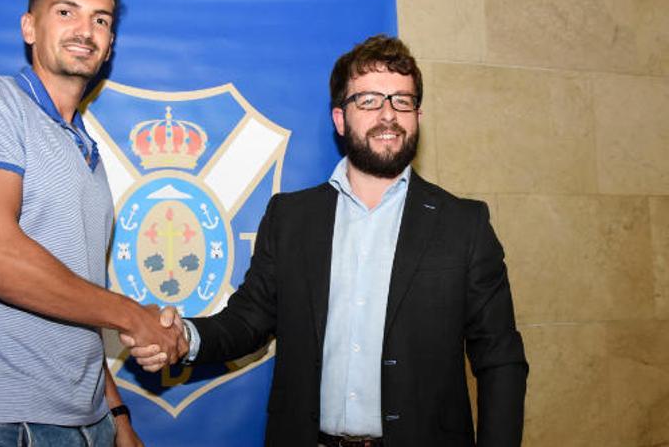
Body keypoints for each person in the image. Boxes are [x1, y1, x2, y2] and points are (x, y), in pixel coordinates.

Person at [126, 35, 528, 446]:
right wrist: (184, 337)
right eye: (369, 100)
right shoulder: (292, 218)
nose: (388, 115)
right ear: (340, 119)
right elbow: (247, 321)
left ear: (417, 116)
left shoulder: (464, 224)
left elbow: (501, 358)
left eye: (401, 101)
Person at [0, 0, 186, 445]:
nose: (85, 30)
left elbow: (74, 296)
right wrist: (135, 317)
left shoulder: (87, 151)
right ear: (29, 26)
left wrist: (118, 416)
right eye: (66, 12)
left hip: (88, 423)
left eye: (100, 19)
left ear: (109, 45)